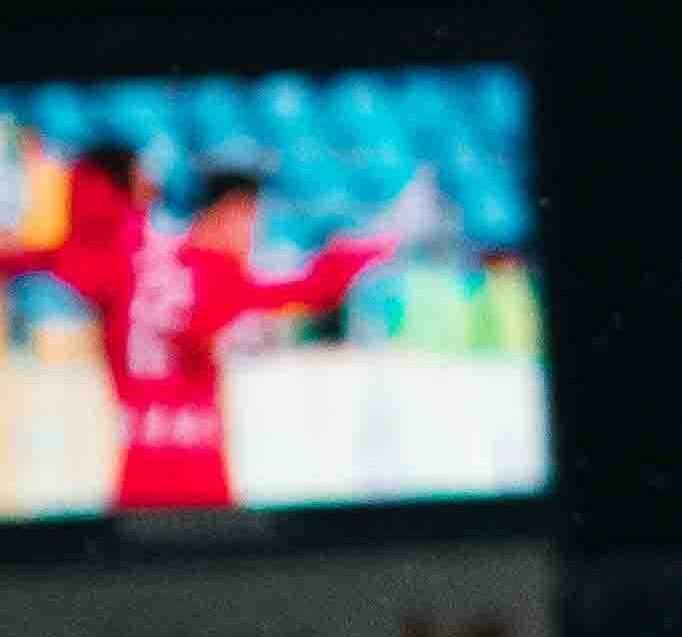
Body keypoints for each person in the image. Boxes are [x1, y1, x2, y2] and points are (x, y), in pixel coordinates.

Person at [0, 145, 413, 516]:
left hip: (135, 483)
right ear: (233, 211)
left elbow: (49, 257)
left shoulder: (124, 261)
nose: (253, 237)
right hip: (198, 486)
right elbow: (311, 288)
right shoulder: (211, 276)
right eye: (253, 220)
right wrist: (382, 245)